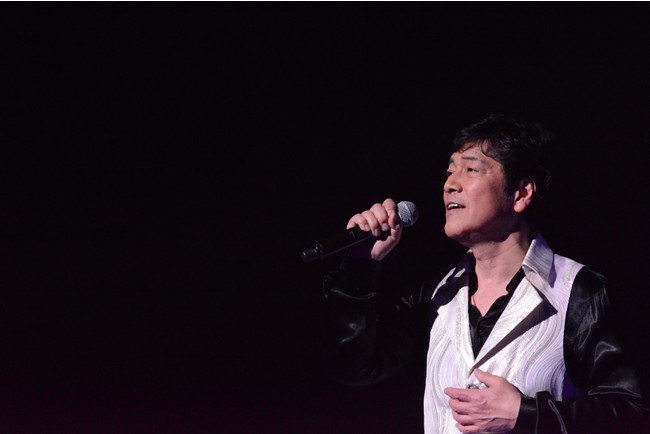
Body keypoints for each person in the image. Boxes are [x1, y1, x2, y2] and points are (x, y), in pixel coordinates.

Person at [321, 114, 647, 433]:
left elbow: (633, 413)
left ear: (521, 193)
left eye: (471, 169)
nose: (450, 184)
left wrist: (527, 415)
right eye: (450, 172)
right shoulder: (438, 293)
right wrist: (361, 267)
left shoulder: (578, 292)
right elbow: (356, 368)